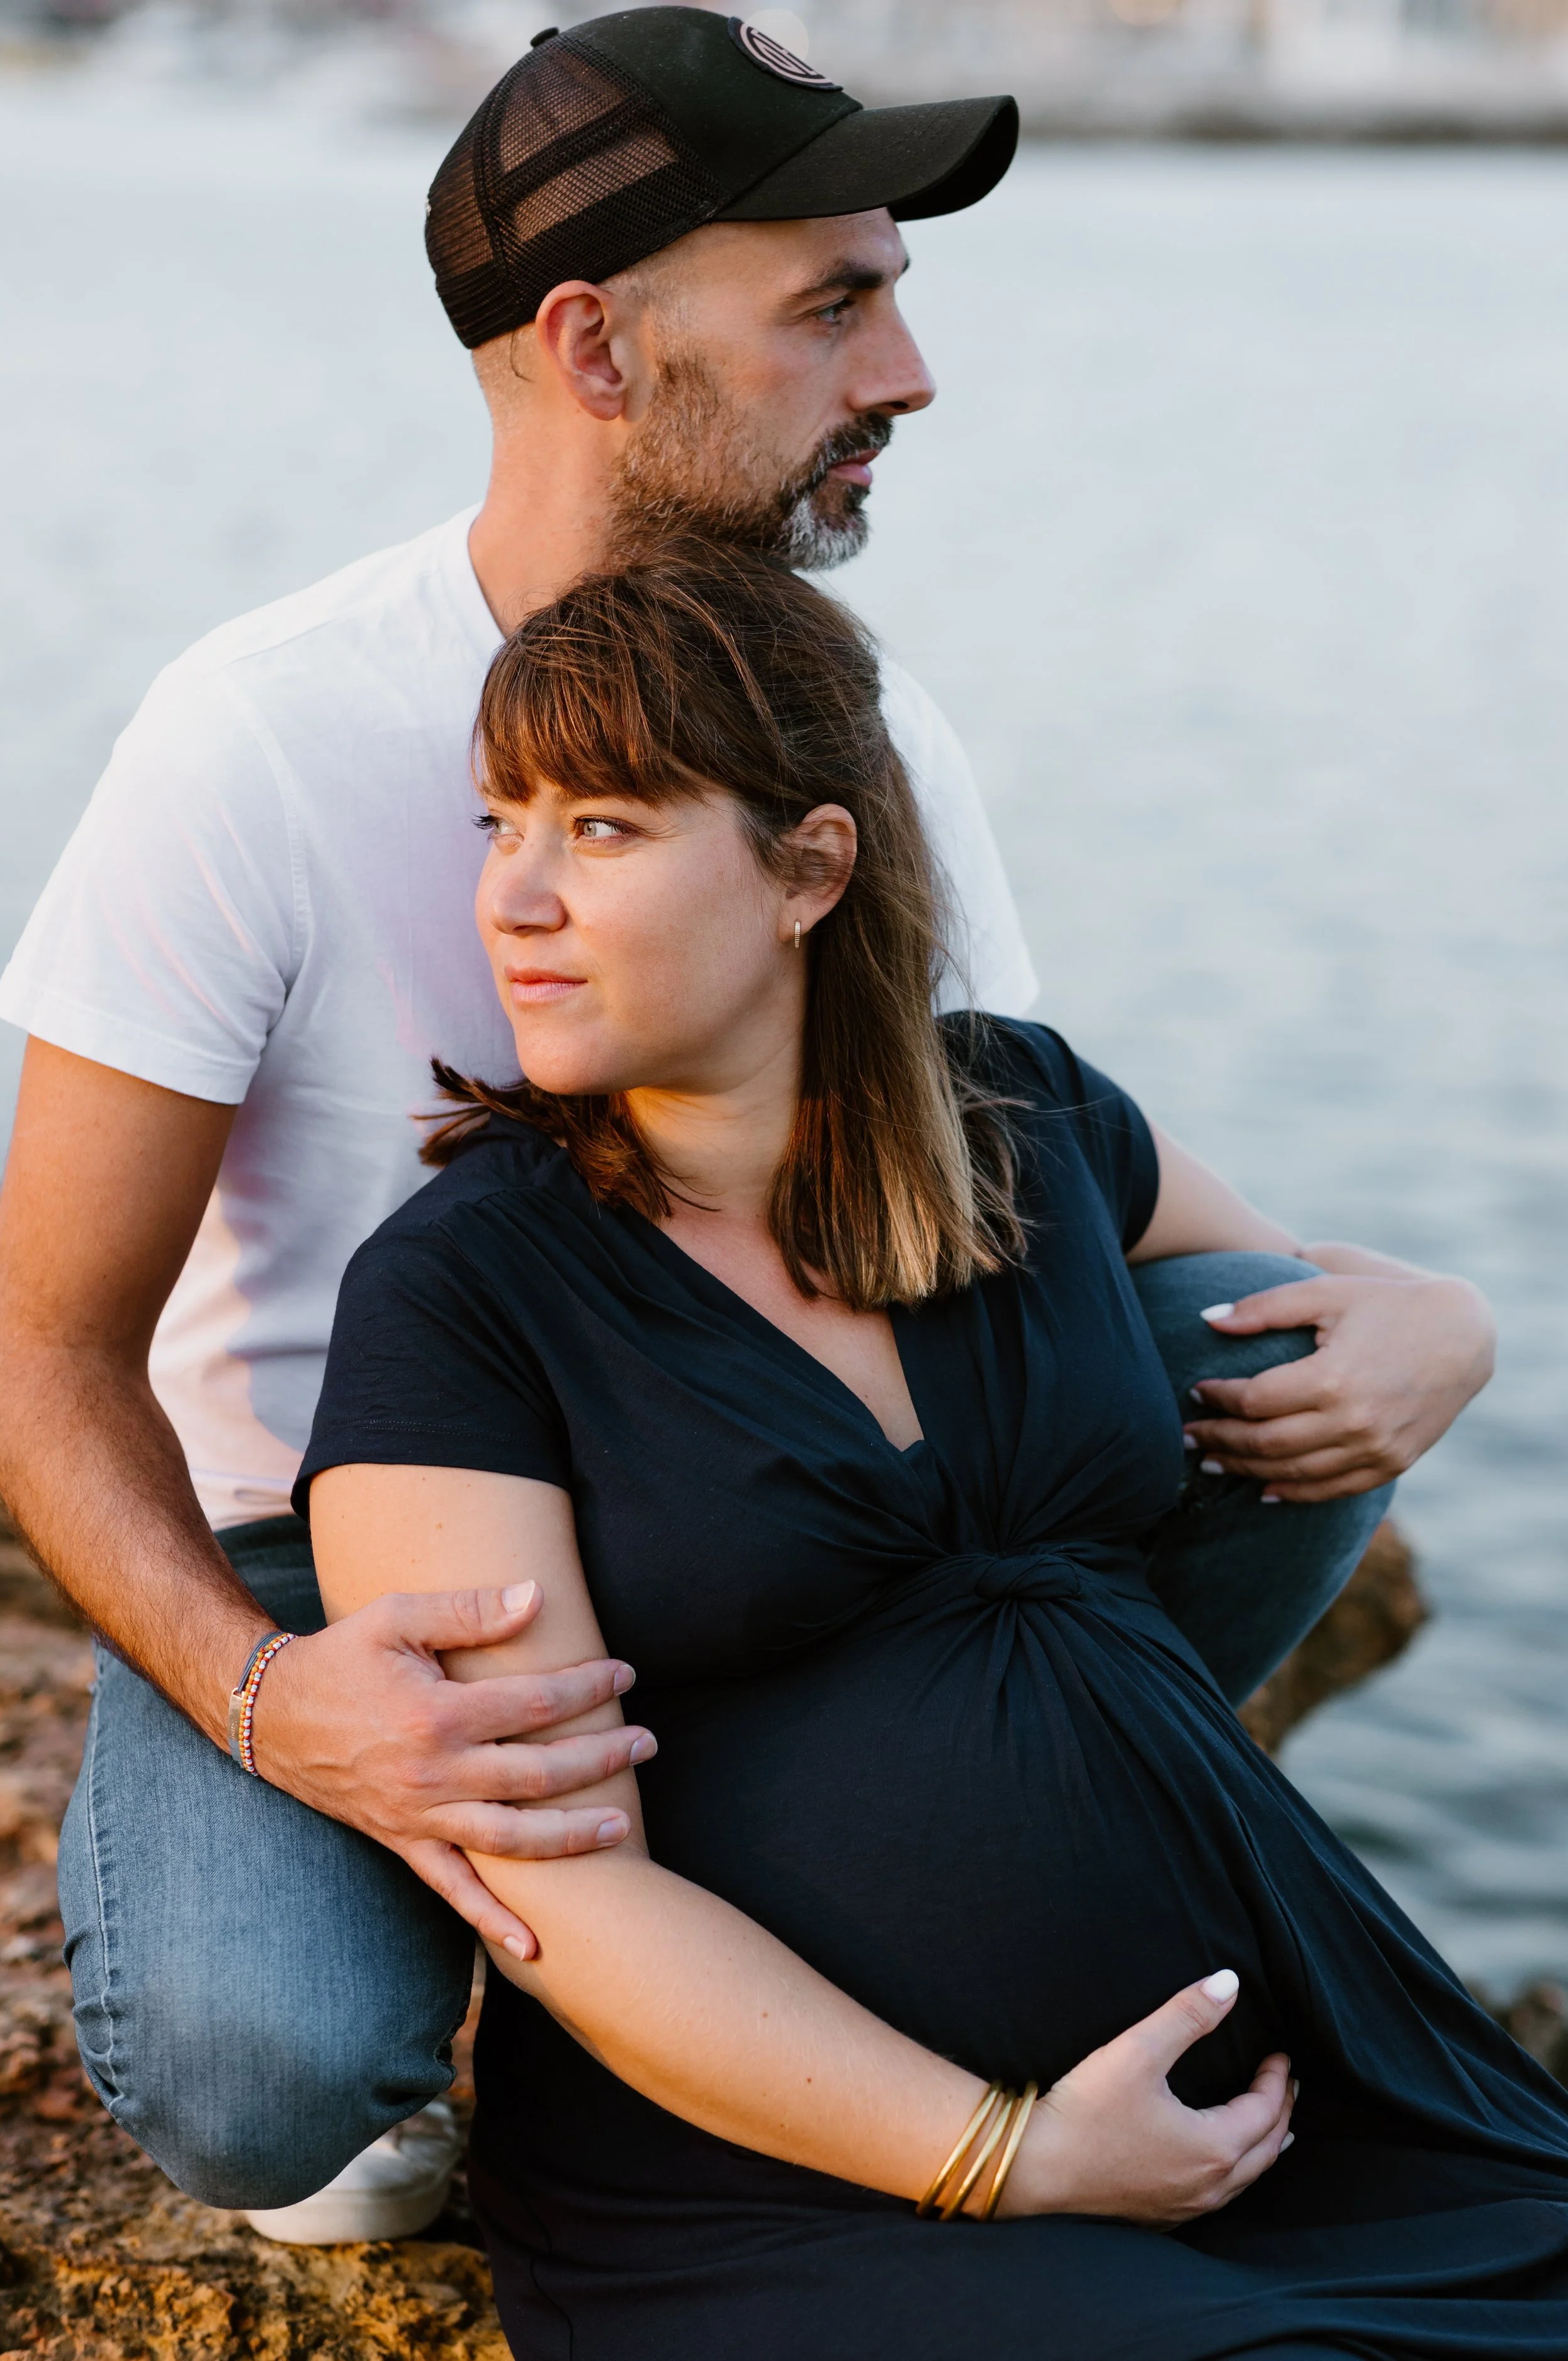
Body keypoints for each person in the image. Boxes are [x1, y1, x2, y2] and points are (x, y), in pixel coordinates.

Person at [0, 9, 1492, 2239]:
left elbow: (1026, 1188)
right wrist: (263, 1694)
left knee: (1258, 1329)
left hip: (778, 1478)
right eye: (834, 303)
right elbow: (38, 1349)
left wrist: (1422, 1318)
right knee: (269, 2073)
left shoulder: (857, 735)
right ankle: (683, 1963)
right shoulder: (257, 739)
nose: (905, 373)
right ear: (595, 347)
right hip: (355, 1558)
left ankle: (940, 1883)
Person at [299, 543, 1567, 2360]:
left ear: (810, 864)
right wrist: (1005, 2150)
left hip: (1300, 2073)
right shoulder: (465, 1290)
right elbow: (554, 1879)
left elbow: (1310, 1297)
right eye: (504, 819)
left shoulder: (1026, 1120)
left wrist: (1457, 1316)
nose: (513, 894)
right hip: (804, 2183)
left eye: (604, 827)